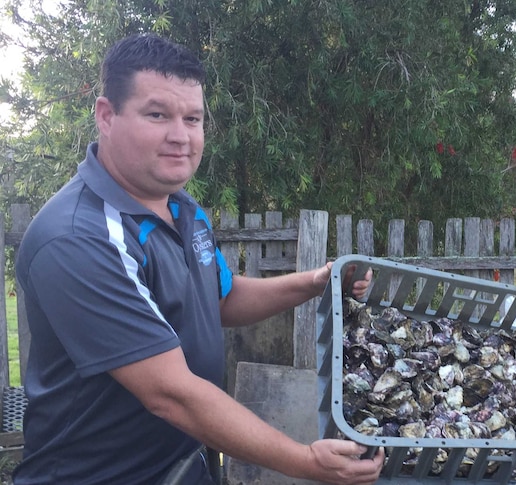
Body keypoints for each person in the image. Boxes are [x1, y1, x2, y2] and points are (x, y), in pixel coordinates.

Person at [13, 34, 383, 484]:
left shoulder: (182, 208)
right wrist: (306, 462)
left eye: (192, 118)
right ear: (107, 116)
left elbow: (220, 300)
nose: (180, 136)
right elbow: (171, 395)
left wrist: (314, 283)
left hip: (184, 466)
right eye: (157, 115)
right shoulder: (77, 238)